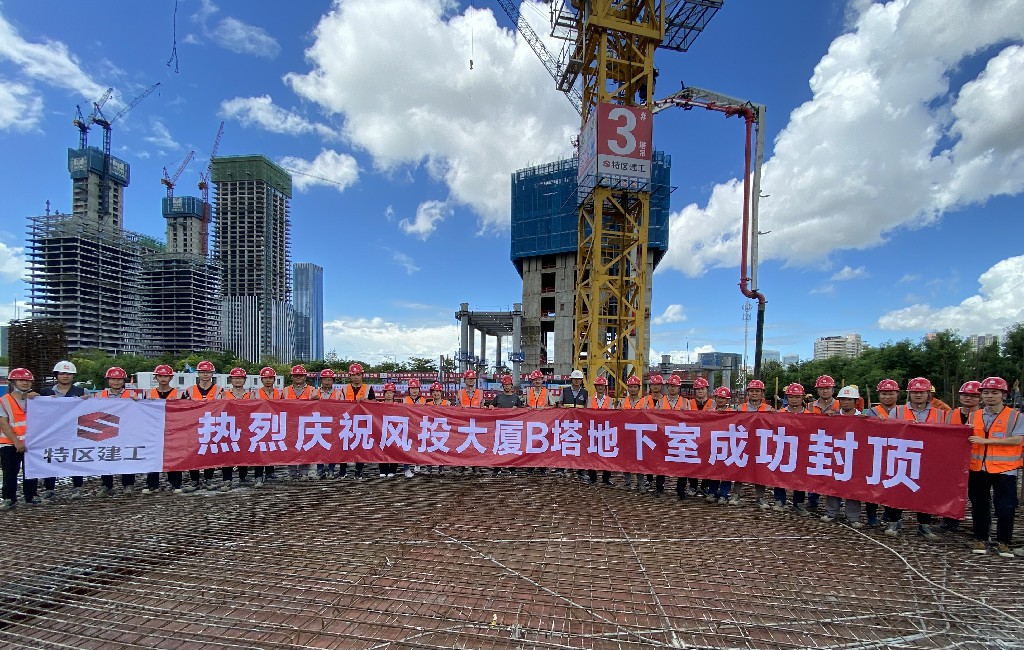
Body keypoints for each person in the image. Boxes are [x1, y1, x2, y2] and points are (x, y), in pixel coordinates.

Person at [967, 376, 1023, 558]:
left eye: (994, 392)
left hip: (1005, 469)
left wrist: (986, 441)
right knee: (979, 505)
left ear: (1003, 395)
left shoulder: (1015, 417)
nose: (990, 396)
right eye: (986, 393)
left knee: (1005, 507)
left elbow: (1017, 440)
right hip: (978, 468)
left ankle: (1004, 542)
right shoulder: (974, 415)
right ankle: (980, 538)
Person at [886, 377, 944, 540]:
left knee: (925, 491)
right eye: (914, 392)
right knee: (898, 488)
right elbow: (888, 432)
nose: (918, 395)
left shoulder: (940, 413)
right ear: (909, 394)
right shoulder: (897, 411)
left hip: (929, 458)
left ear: (928, 394)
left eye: (922, 392)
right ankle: (894, 521)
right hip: (903, 456)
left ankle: (924, 524)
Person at [38, 361, 87, 500]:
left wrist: (87, 401)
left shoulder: (82, 392)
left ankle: (77, 487)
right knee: (51, 459)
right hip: (52, 433)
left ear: (73, 376)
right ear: (56, 375)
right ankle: (49, 488)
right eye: (62, 373)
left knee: (76, 458)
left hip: (74, 432)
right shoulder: (46, 392)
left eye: (69, 374)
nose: (65, 376)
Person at [938, 380, 982, 532]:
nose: (968, 398)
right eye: (965, 395)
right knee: (950, 492)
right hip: (953, 461)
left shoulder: (984, 416)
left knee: (978, 497)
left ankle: (981, 528)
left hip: (977, 462)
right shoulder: (950, 414)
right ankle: (949, 521)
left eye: (973, 396)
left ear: (980, 398)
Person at [821, 386, 864, 527]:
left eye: (849, 399)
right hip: (836, 454)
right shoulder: (833, 416)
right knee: (833, 483)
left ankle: (853, 516)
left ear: (855, 401)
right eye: (843, 399)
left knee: (854, 486)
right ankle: (831, 512)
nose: (846, 402)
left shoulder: (864, 418)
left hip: (855, 456)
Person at [0, 368, 42, 510]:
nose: (25, 383)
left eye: (28, 381)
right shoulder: (4, 401)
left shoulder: (35, 400)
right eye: (21, 380)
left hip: (31, 443)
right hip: (9, 443)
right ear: (13, 382)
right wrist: (16, 441)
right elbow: (4, 424)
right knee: (10, 472)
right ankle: (9, 498)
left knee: (31, 471)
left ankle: (31, 495)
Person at [141, 365, 185, 495]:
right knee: (153, 456)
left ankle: (176, 483)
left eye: (166, 376)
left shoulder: (180, 394)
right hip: (154, 430)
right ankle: (152, 484)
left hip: (174, 429)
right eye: (160, 376)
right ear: (156, 377)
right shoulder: (148, 394)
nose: (163, 379)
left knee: (174, 456)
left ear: (171, 378)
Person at [730, 379, 774, 507]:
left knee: (760, 470)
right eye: (752, 391)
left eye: (757, 391)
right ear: (748, 393)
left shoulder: (768, 409)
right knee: (739, 468)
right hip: (743, 443)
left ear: (762, 393)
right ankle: (736, 494)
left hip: (761, 444)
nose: (754, 393)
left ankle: (760, 497)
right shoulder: (740, 408)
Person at [96, 366, 139, 496]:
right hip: (106, 430)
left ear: (124, 381)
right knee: (106, 457)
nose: (116, 382)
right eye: (113, 379)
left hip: (126, 431)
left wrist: (139, 402)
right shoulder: (99, 395)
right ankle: (107, 485)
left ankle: (128, 484)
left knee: (127, 457)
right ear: (108, 380)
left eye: (119, 379)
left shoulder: (132, 395)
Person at [184, 360, 224, 491]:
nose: (205, 375)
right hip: (194, 427)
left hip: (212, 425)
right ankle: (194, 480)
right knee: (193, 453)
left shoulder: (220, 390)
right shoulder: (189, 391)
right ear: (198, 373)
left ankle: (208, 479)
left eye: (208, 372)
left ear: (212, 374)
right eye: (202, 372)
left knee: (210, 452)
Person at [773, 383, 810, 515]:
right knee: (779, 474)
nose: (794, 399)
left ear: (802, 398)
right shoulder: (779, 413)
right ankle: (779, 500)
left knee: (800, 476)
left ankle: (798, 503)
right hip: (783, 449)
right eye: (791, 397)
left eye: (797, 397)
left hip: (801, 450)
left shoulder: (810, 415)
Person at [342, 363, 375, 479]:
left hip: (362, 421)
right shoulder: (344, 389)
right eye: (353, 375)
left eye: (358, 374)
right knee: (344, 445)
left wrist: (366, 401)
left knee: (360, 446)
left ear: (362, 375)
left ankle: (358, 470)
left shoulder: (368, 388)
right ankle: (343, 470)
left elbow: (374, 403)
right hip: (347, 421)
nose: (356, 377)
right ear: (350, 376)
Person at [250, 366, 282, 487]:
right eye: (265, 378)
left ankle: (270, 472)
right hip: (260, 425)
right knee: (260, 449)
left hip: (274, 424)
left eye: (270, 378)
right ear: (261, 380)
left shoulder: (279, 393)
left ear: (274, 379)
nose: (268, 380)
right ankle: (258, 475)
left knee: (271, 448)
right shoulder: (255, 393)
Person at [221, 367, 252, 486]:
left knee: (243, 452)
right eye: (235, 378)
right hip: (227, 428)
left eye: (240, 378)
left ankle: (243, 477)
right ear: (231, 380)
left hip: (245, 428)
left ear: (244, 380)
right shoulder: (224, 394)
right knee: (227, 453)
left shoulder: (251, 395)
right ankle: (227, 478)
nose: (238, 380)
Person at [489, 374, 524, 476]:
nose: (507, 386)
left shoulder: (516, 397)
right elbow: (491, 405)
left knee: (511, 448)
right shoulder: (498, 397)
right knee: (499, 447)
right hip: (500, 426)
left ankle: (512, 467)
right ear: (503, 386)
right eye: (505, 385)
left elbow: (522, 410)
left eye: (508, 385)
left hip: (512, 427)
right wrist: (491, 406)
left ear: (511, 385)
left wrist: (517, 409)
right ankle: (497, 467)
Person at [285, 364, 315, 481]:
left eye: (300, 376)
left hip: (306, 423)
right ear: (292, 377)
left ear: (304, 377)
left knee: (305, 446)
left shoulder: (312, 390)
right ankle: (292, 472)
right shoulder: (285, 391)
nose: (298, 377)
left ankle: (304, 471)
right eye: (295, 375)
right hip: (290, 423)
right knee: (290, 447)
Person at [705, 386, 734, 504]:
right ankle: (712, 492)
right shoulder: (710, 411)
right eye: (718, 397)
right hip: (714, 445)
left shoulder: (733, 413)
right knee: (714, 469)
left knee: (727, 470)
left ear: (727, 400)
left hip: (728, 445)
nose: (720, 400)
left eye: (723, 398)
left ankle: (723, 494)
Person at [587, 376, 615, 485]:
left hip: (606, 430)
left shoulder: (610, 400)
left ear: (605, 387)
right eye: (598, 386)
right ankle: (592, 477)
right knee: (591, 454)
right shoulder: (589, 400)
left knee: (606, 454)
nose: (600, 388)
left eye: (602, 386)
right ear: (595, 387)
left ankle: (606, 478)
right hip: (593, 430)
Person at [620, 375, 646, 491]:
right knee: (626, 459)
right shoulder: (623, 402)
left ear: (639, 388)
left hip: (640, 435)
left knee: (640, 460)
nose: (632, 389)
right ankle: (627, 482)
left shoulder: (644, 402)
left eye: (635, 387)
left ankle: (640, 483)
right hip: (626, 435)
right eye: (630, 387)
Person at [315, 368, 342, 479]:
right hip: (318, 423)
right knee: (318, 446)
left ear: (333, 381)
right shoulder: (315, 392)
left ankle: (331, 469)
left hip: (333, 423)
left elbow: (344, 408)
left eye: (329, 379)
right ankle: (320, 468)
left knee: (333, 447)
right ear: (321, 380)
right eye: (325, 379)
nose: (327, 382)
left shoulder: (338, 393)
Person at [378, 383, 401, 478]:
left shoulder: (398, 406)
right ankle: (383, 469)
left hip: (394, 431)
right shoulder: (378, 405)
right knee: (382, 449)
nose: (388, 395)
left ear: (394, 394)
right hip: (382, 430)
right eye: (387, 393)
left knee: (394, 450)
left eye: (390, 393)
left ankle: (392, 469)